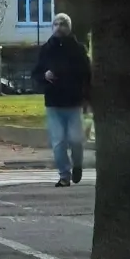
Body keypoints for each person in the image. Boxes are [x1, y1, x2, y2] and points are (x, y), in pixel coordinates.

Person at [31, 12, 92, 188]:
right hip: (53, 102)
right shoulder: (46, 49)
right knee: (58, 142)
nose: (59, 27)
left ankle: (77, 165)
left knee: (75, 140)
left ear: (69, 27)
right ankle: (64, 175)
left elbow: (87, 74)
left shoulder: (78, 49)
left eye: (63, 24)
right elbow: (35, 73)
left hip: (73, 102)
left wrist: (87, 97)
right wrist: (44, 76)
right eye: (56, 24)